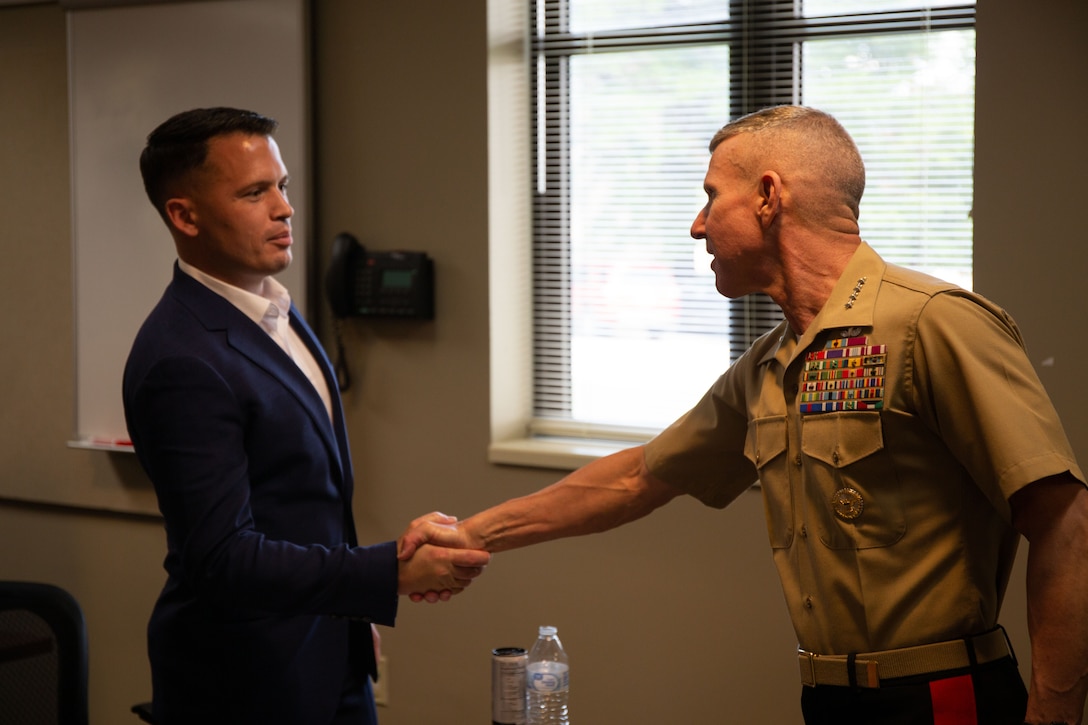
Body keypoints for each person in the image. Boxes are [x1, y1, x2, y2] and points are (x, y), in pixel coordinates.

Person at [399, 106, 1088, 724]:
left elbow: (1062, 517)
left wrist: (1054, 716)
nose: (697, 225)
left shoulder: (933, 324)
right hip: (829, 699)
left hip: (942, 699)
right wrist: (467, 535)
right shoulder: (770, 365)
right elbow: (638, 477)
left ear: (767, 196)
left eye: (708, 197)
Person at [123, 107, 491, 725]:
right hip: (246, 683)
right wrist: (385, 573)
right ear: (184, 216)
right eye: (253, 192)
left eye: (282, 186)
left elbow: (302, 505)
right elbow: (223, 559)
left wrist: (349, 617)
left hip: (328, 650)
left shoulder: (274, 309)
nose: (284, 208)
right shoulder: (181, 359)